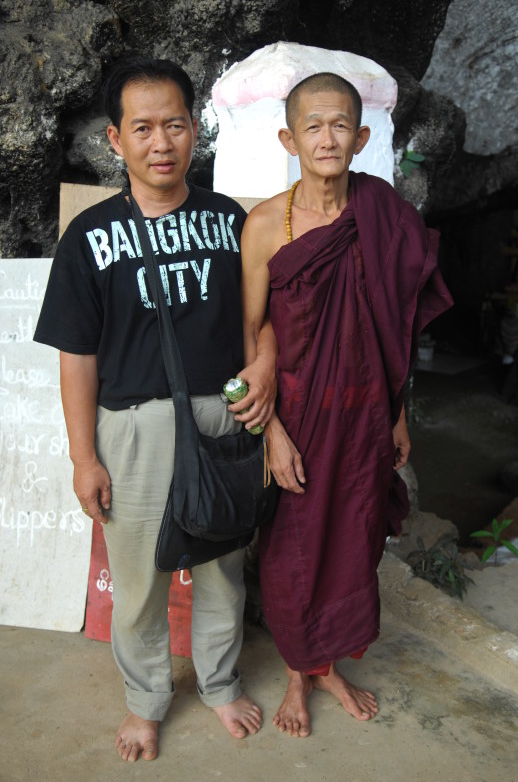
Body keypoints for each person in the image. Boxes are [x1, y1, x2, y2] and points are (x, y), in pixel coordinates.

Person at [34, 54, 277, 762]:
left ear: (195, 129)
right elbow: (77, 356)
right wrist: (84, 457)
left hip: (221, 417)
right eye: (142, 128)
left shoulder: (230, 222)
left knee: (222, 569)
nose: (160, 142)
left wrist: (263, 363)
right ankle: (145, 702)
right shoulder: (88, 237)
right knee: (138, 580)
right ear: (116, 139)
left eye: (174, 124)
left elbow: (260, 317)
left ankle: (221, 684)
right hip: (133, 430)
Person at [241, 72, 453, 737]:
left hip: (364, 418)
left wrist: (397, 414)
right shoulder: (265, 226)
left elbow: (396, 330)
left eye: (339, 126)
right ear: (290, 139)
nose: (326, 139)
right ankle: (296, 673)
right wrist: (271, 431)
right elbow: (247, 333)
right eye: (313, 126)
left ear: (361, 138)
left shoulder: (384, 217)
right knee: (292, 553)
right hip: (298, 419)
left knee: (353, 545)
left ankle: (327, 666)